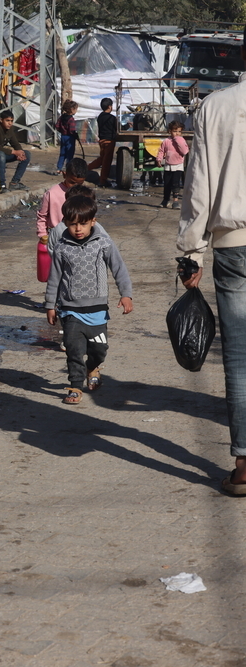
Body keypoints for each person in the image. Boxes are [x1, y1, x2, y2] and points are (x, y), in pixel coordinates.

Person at [177, 32, 246, 495]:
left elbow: (198, 186)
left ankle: (244, 468)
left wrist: (190, 251)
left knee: (239, 360)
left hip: (232, 244)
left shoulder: (215, 107)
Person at [45, 195, 133, 405]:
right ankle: (75, 386)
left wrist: (126, 294)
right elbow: (54, 278)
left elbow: (119, 268)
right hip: (70, 310)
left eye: (83, 224)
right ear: (65, 222)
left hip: (98, 310)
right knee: (74, 350)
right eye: (73, 223)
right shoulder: (61, 247)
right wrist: (50, 305)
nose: (78, 229)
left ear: (93, 221)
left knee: (99, 350)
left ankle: (92, 367)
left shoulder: (103, 243)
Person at [36, 158, 88, 247]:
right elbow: (42, 216)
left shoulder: (84, 194)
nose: (75, 187)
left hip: (79, 235)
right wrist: (43, 234)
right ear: (64, 175)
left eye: (79, 184)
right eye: (72, 182)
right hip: (57, 237)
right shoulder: (51, 193)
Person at [0, 109, 31, 193]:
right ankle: (2, 186)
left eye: (11, 121)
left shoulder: (10, 129)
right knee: (0, 154)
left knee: (27, 154)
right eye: (7, 121)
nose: (10, 123)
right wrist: (14, 152)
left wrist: (20, 153)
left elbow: (15, 143)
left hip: (1, 156)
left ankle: (15, 183)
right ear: (1, 120)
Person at [157, 120, 189, 209]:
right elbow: (161, 151)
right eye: (175, 131)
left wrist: (178, 140)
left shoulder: (182, 140)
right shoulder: (166, 141)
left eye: (179, 131)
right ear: (170, 131)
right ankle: (165, 200)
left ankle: (175, 201)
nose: (177, 133)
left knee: (176, 184)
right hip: (168, 166)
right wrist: (159, 159)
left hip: (178, 166)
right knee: (167, 184)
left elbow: (185, 151)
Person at [87, 98, 118, 188]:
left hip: (102, 140)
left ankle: (86, 168)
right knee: (106, 161)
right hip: (109, 141)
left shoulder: (100, 116)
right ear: (109, 106)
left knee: (102, 159)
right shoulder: (112, 118)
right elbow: (117, 129)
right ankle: (103, 180)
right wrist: (128, 125)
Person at [54, 100, 80, 175]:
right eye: (75, 109)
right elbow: (72, 130)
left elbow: (57, 126)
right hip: (69, 138)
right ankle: (68, 169)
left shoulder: (61, 117)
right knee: (69, 154)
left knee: (62, 153)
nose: (76, 111)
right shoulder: (71, 119)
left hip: (63, 137)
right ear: (72, 109)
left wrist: (62, 131)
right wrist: (75, 135)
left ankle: (59, 169)